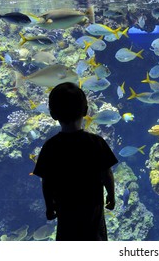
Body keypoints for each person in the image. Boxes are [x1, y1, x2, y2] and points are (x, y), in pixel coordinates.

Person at [32, 82, 118, 241]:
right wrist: (111, 195)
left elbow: (47, 181)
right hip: (93, 214)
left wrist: (49, 206)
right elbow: (107, 173)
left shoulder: (50, 147)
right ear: (86, 111)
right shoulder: (96, 142)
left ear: (52, 114)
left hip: (66, 214)